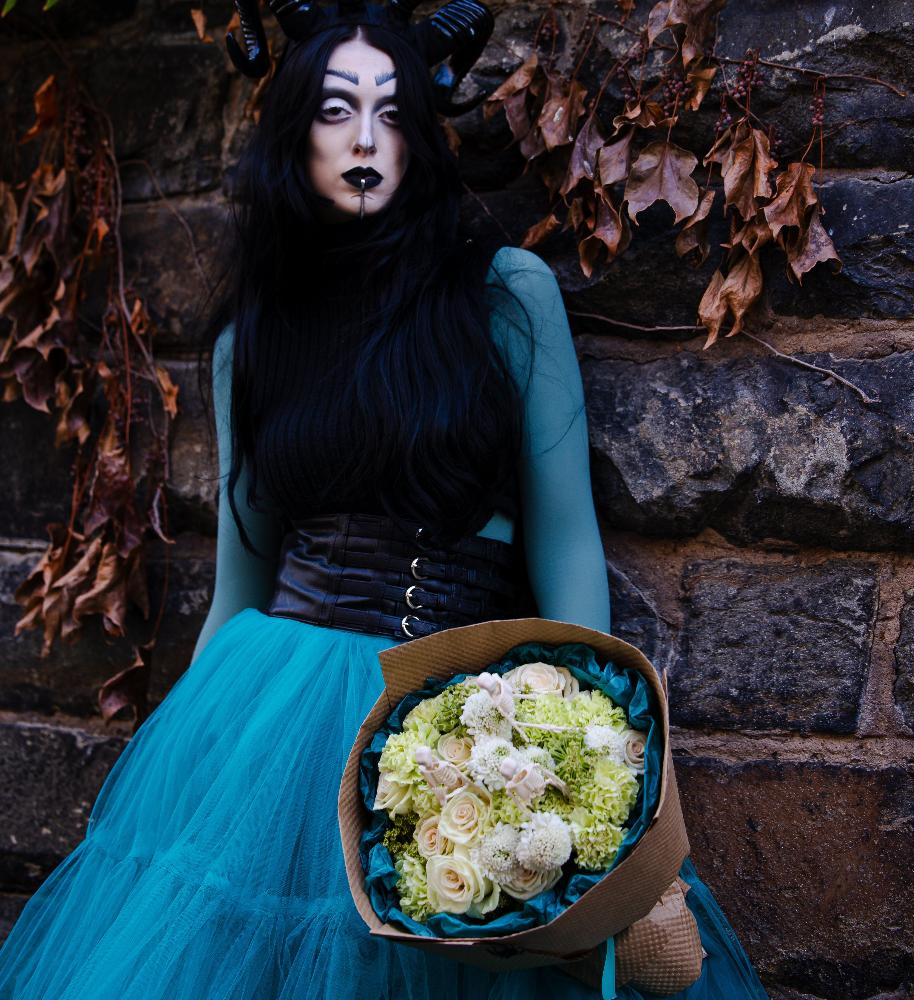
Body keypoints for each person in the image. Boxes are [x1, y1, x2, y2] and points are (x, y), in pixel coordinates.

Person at [0, 2, 770, 997]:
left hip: (451, 701)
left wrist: (592, 740)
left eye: (391, 113)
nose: (364, 140)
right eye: (333, 111)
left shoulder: (504, 295)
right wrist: (179, 780)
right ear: (293, 134)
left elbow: (567, 544)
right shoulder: (253, 337)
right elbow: (240, 586)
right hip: (266, 709)